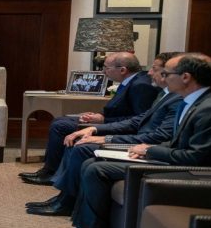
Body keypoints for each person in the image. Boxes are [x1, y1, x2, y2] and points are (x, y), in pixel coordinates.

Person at [46, 53, 211, 228]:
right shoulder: (190, 101)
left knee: (96, 168)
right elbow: (164, 136)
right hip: (168, 157)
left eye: (166, 73)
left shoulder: (210, 109)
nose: (160, 76)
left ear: (185, 77)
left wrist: (150, 150)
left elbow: (195, 157)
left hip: (190, 171)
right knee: (91, 162)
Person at [25, 52, 181, 216]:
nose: (148, 73)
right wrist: (95, 128)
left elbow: (155, 135)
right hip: (135, 138)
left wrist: (104, 135)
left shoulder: (165, 95)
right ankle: (63, 198)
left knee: (80, 145)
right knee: (74, 136)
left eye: (154, 69)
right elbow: (138, 120)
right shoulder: (165, 95)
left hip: (144, 147)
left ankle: (65, 200)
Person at [19, 52, 159, 185]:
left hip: (118, 129)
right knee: (59, 120)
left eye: (106, 68)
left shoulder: (140, 85)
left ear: (122, 70)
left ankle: (50, 173)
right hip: (109, 121)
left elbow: (139, 119)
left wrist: (103, 120)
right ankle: (49, 170)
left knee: (60, 125)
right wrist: (97, 115)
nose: (103, 72)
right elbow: (119, 108)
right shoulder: (130, 81)